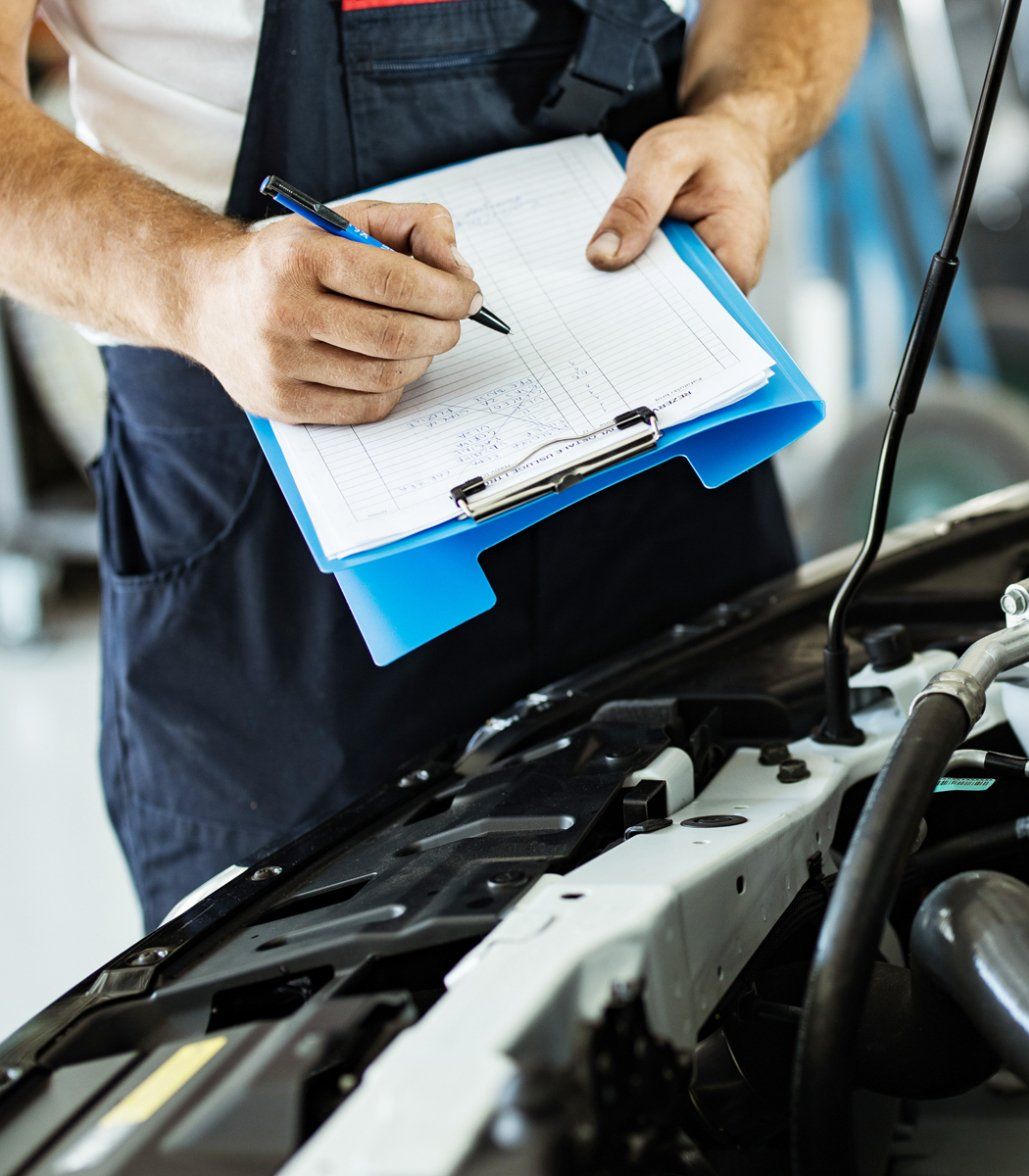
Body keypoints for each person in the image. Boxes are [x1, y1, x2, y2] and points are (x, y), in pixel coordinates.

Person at [0, 0, 867, 926]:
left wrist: (746, 119)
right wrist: (195, 284)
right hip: (283, 554)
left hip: (669, 464)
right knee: (321, 993)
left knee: (773, 944)